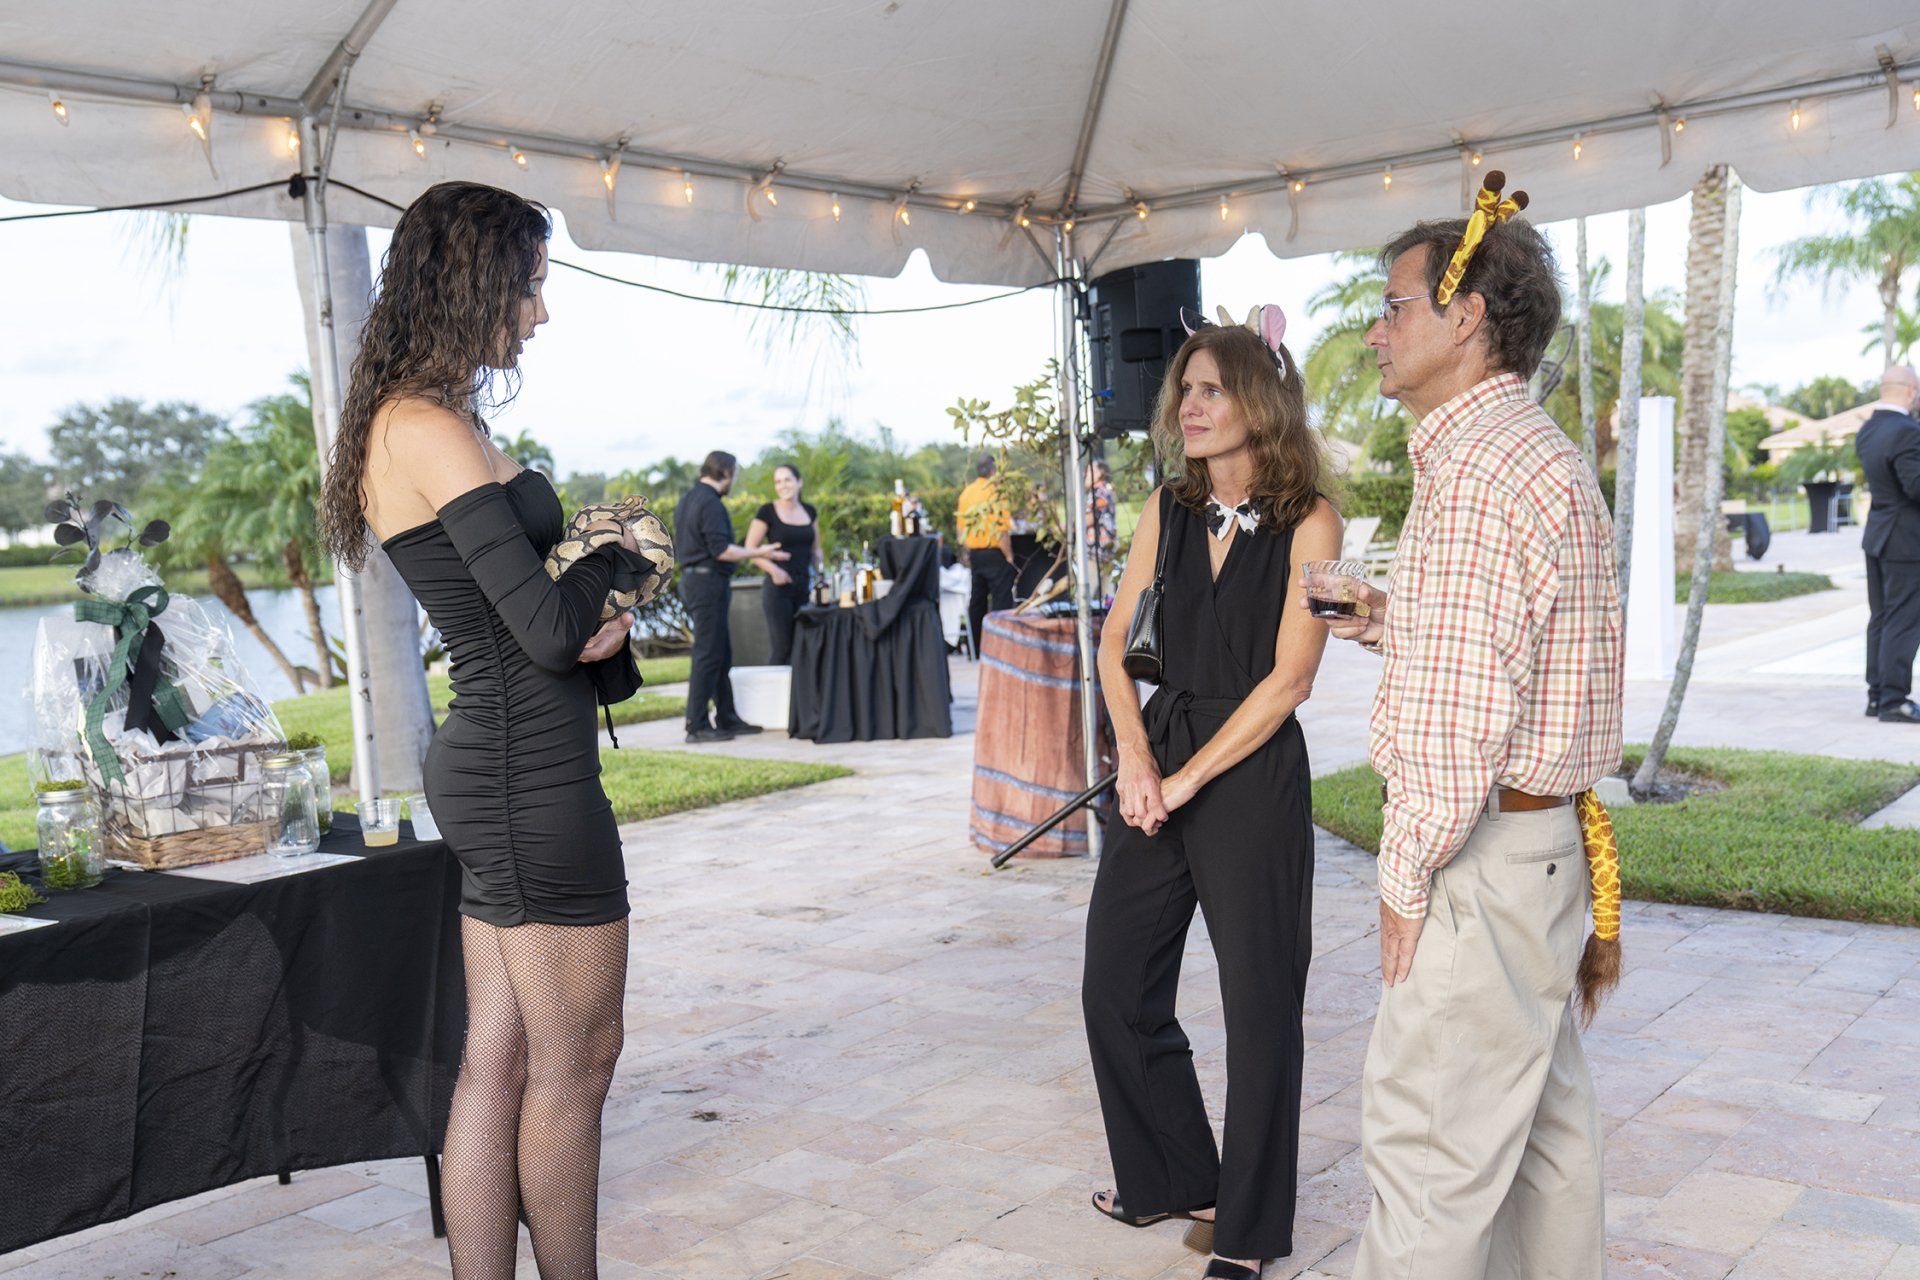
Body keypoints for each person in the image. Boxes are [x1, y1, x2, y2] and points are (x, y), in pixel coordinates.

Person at [320, 181, 650, 1279]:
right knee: (578, 1061)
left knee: (500, 1061)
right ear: (471, 281)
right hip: (525, 775)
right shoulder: (423, 427)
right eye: (529, 286)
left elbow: (538, 610)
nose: (540, 313)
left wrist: (595, 593)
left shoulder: (426, 417)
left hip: (506, 765)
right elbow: (549, 631)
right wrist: (615, 562)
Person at [1313, 176, 1624, 1280]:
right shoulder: (1530, 451)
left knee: (1430, 1159)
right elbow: (1503, 650)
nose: (1376, 329)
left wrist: (1403, 881)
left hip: (1483, 857)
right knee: (1544, 1148)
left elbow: (1457, 728)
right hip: (1541, 847)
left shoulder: (1480, 472)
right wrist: (1390, 616)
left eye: (1394, 305)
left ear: (1467, 317)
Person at [1083, 305, 1340, 1280]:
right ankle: (1175, 1176)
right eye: (1183, 391)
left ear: (1259, 400)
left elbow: (1291, 680)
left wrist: (1187, 776)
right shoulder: (1168, 507)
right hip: (1162, 748)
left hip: (1251, 767)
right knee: (1116, 982)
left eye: (1210, 389)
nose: (1187, 406)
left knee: (1260, 1004)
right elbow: (1115, 641)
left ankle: (1248, 1230)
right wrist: (1136, 758)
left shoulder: (1312, 519)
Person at [674, 450, 788, 742]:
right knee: (708, 654)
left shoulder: (688, 500)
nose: (734, 480)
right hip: (707, 584)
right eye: (734, 474)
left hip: (695, 582)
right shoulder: (710, 503)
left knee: (721, 652)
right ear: (725, 472)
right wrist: (759, 552)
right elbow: (721, 550)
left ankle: (727, 717)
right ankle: (696, 725)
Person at [1856, 364, 1920, 723]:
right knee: (1904, 618)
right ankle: (1895, 699)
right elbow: (1915, 486)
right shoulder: (1907, 431)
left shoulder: (1868, 430)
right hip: (1906, 540)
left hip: (1878, 534)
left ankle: (1877, 695)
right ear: (1910, 390)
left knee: (1881, 616)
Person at [744, 462, 822, 664]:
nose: (782, 485)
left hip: (804, 587)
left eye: (787, 480)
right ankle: (774, 686)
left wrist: (821, 577)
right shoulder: (767, 511)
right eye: (778, 482)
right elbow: (750, 549)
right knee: (782, 648)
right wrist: (774, 571)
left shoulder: (810, 511)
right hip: (778, 590)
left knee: (804, 646)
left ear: (799, 482)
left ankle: (800, 686)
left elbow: (816, 550)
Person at [956, 454, 1016, 654]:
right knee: (1002, 600)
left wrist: (968, 550)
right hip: (995, 552)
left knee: (977, 600)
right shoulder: (996, 491)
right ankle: (1001, 648)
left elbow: (960, 530)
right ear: (993, 470)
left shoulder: (967, 492)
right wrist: (1009, 556)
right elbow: (1001, 530)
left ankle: (976, 647)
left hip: (975, 553)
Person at [1085, 457, 1118, 586]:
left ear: (1100, 473)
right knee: (1106, 590)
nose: (1085, 474)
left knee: (1089, 588)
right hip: (1107, 548)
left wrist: (1070, 527)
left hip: (1096, 549)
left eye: (1089, 471)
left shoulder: (1097, 492)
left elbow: (1090, 518)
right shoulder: (1107, 490)